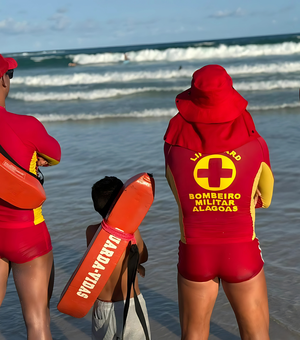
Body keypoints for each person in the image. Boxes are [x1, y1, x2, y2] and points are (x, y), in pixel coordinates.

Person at [164, 65, 274, 340]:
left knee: (193, 335)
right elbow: (266, 198)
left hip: (195, 252)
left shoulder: (173, 146)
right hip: (241, 250)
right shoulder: (255, 144)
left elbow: (178, 193)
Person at [0, 54, 61, 339]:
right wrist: (35, 158)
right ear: (3, 80)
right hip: (26, 234)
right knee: (37, 323)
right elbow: (55, 155)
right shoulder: (26, 125)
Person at [86, 176, 151, 340]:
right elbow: (143, 256)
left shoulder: (91, 231)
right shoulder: (131, 230)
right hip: (129, 304)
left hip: (101, 306)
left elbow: (101, 261)